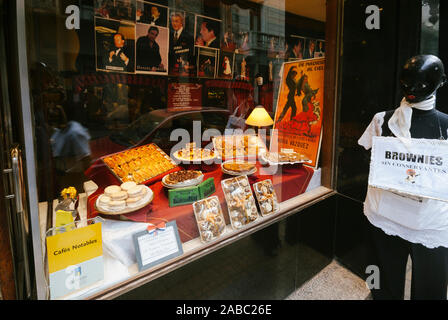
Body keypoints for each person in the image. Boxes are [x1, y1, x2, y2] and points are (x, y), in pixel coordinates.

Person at [358, 55, 448, 300]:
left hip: (429, 222)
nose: (412, 90)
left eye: (420, 85)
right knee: (384, 285)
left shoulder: (447, 126)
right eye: (406, 84)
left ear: (441, 82)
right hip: (385, 214)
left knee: (431, 288)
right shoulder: (381, 120)